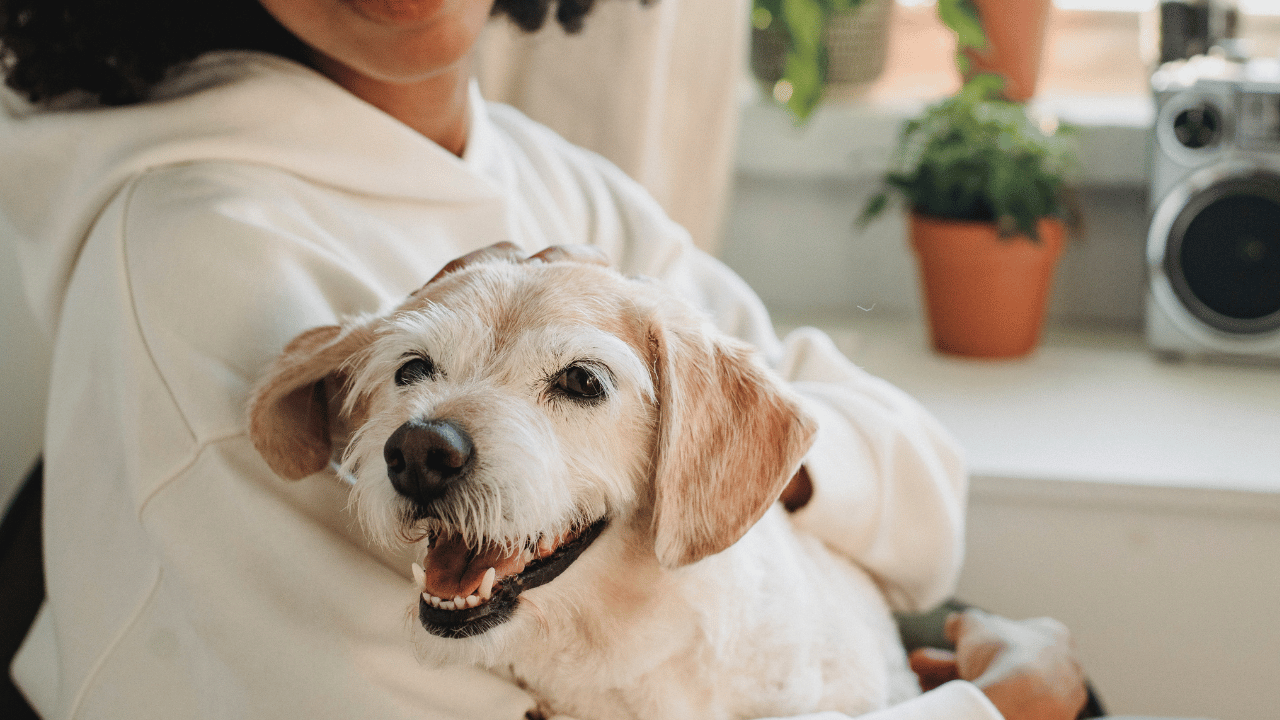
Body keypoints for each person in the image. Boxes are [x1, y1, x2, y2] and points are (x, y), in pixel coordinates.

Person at [0, 1, 1086, 719]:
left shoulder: (558, 179)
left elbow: (912, 493)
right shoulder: (198, 254)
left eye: (577, 381)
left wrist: (711, 454)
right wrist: (999, 713)